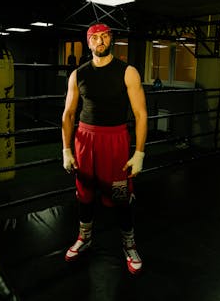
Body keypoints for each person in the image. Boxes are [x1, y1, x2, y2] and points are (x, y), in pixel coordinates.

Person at [62, 23, 148, 275]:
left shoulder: (128, 71)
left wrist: (139, 152)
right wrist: (66, 150)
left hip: (115, 141)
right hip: (85, 140)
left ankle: (129, 244)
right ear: (88, 43)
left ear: (111, 39)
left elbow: (141, 114)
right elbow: (68, 114)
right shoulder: (78, 74)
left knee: (121, 195)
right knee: (84, 192)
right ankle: (84, 237)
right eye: (94, 38)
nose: (99, 41)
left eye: (104, 36)